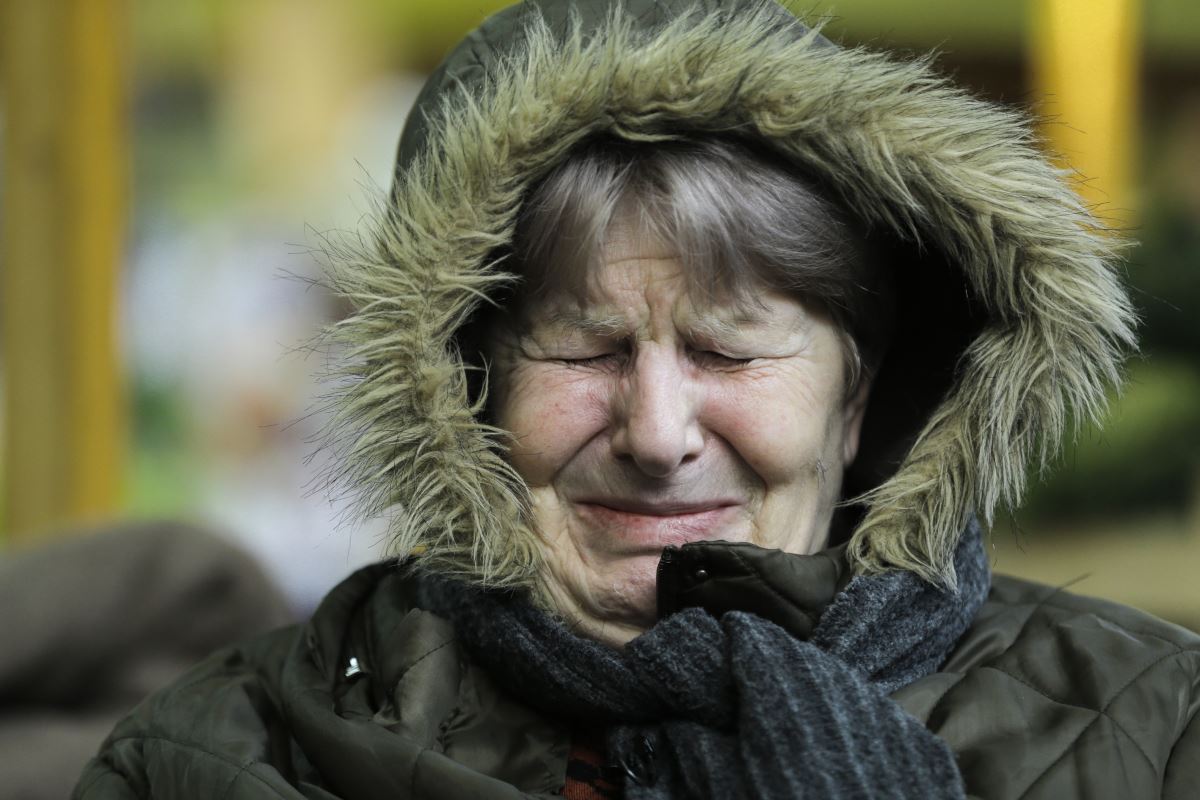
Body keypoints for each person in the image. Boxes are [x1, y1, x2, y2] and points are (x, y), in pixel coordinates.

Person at [76, 1, 1199, 798]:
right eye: (580, 350)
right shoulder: (220, 756)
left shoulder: (1160, 727)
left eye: (730, 350)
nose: (659, 435)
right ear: (458, 395)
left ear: (861, 398)